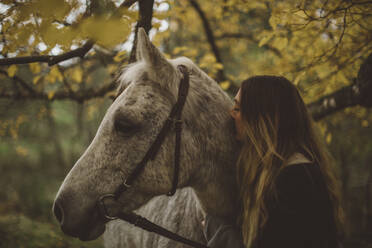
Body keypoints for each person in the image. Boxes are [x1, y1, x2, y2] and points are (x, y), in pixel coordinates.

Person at [202, 75, 344, 248]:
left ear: (261, 120)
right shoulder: (290, 172)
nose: (231, 113)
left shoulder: (293, 181)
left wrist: (217, 228)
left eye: (238, 108)